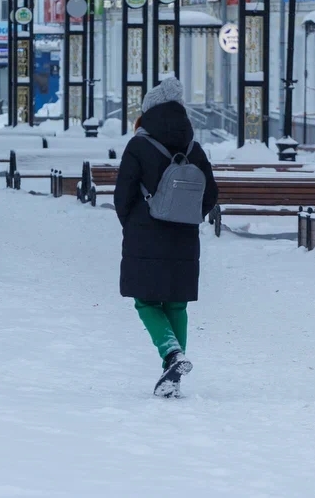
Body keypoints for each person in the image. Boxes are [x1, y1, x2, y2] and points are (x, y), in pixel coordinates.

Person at [114, 77, 217, 399]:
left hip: (145, 231)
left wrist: (132, 223)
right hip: (184, 235)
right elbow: (210, 194)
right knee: (176, 302)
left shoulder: (139, 145)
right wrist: (188, 216)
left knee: (145, 300)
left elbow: (123, 194)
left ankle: (171, 354)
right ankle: (173, 373)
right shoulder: (193, 148)